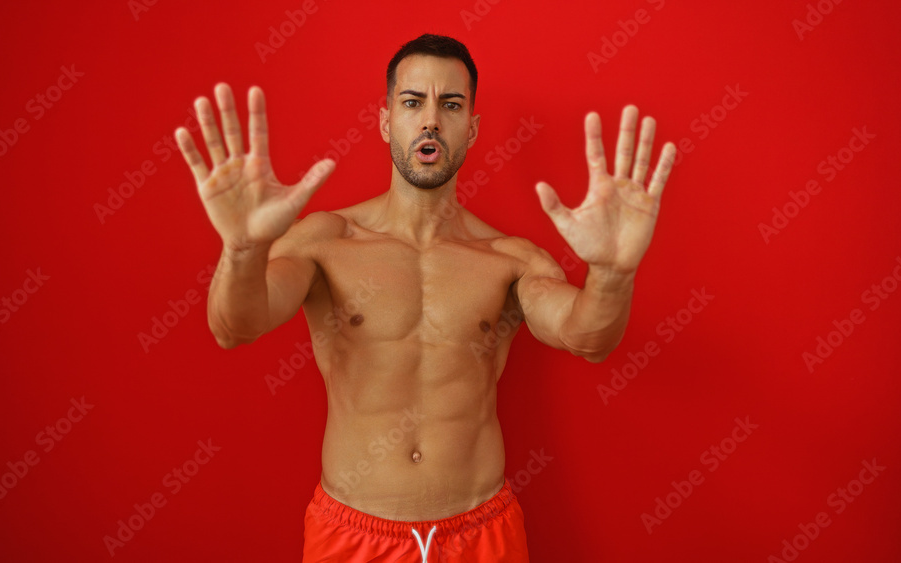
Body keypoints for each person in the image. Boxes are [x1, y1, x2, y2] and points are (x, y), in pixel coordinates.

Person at [175, 33, 675, 563]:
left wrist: (613, 272)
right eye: (413, 102)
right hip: (352, 535)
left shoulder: (508, 259)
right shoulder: (328, 240)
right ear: (387, 119)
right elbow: (237, 324)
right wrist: (243, 249)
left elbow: (588, 337)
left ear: (472, 128)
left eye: (451, 104)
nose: (431, 120)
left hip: (482, 535)